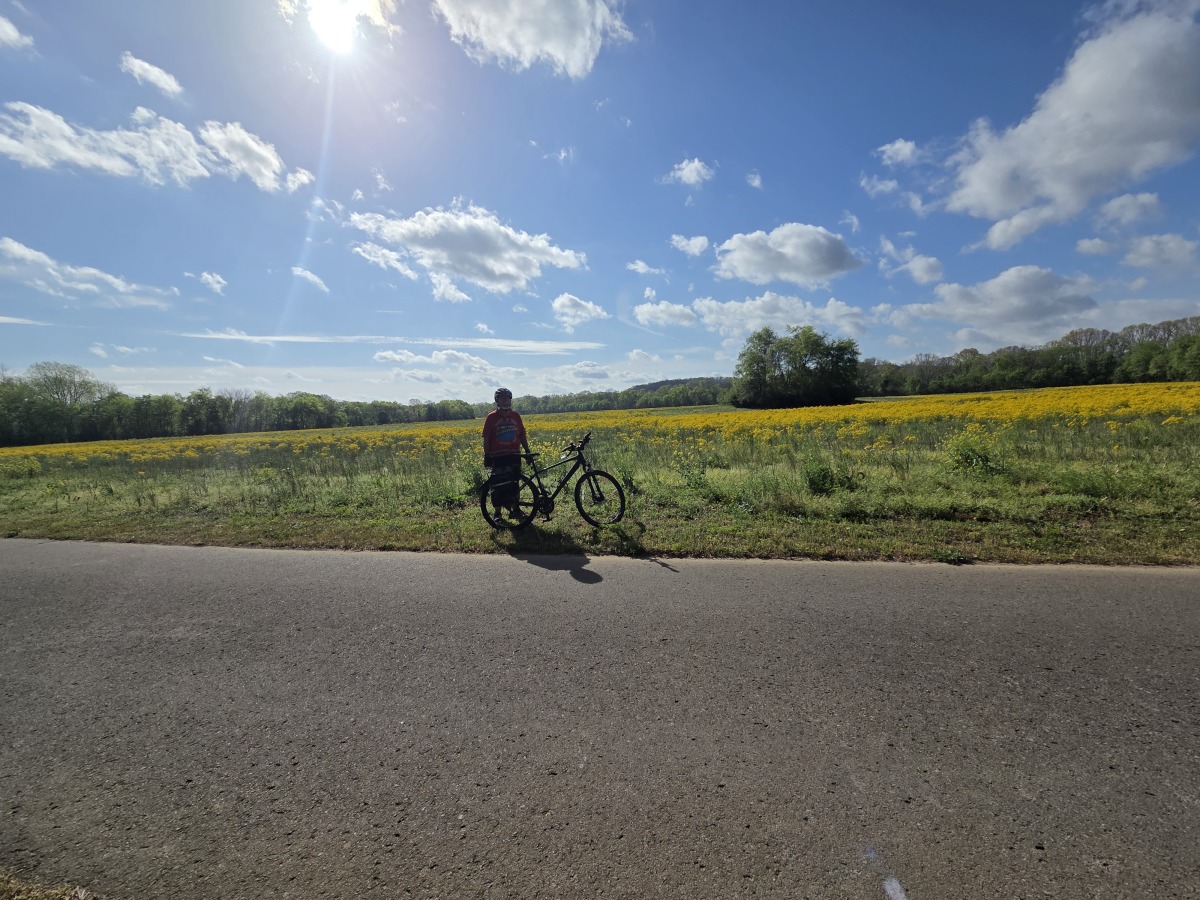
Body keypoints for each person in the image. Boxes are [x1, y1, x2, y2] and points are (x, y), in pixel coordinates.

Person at [482, 387, 531, 512]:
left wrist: (527, 451)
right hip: (497, 456)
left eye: (508, 398)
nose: (506, 401)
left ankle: (516, 510)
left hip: (514, 454)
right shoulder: (491, 417)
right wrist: (486, 455)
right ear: (497, 400)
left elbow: (522, 434)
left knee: (515, 483)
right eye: (502, 399)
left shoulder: (516, 416)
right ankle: (497, 513)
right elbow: (486, 437)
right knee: (497, 485)